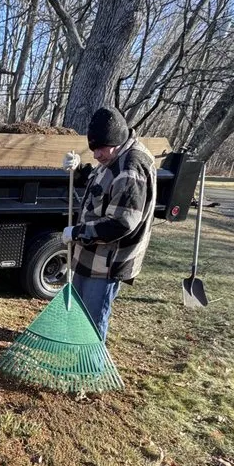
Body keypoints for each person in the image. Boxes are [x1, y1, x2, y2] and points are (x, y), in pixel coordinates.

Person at [61, 107, 157, 342]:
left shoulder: (131, 167)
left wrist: (78, 232)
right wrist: (80, 171)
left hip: (106, 263)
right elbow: (102, 187)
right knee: (82, 312)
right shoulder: (115, 155)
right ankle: (79, 349)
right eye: (93, 149)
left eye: (99, 149)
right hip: (91, 256)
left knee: (94, 318)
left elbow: (121, 223)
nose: (96, 155)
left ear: (116, 140)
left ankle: (91, 366)